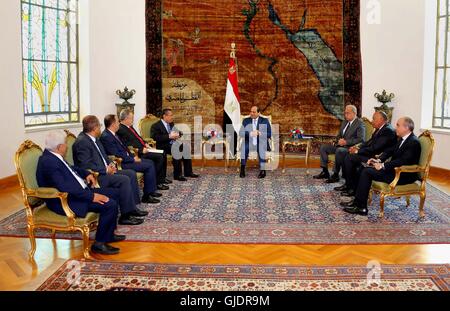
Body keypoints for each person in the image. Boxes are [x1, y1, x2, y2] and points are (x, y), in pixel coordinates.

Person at [36, 131, 124, 255]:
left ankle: (108, 235)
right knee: (109, 204)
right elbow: (65, 187)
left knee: (115, 193)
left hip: (79, 192)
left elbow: (71, 168)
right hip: (67, 200)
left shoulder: (53, 155)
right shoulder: (48, 162)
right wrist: (92, 196)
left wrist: (86, 173)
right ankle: (99, 244)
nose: (67, 146)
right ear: (59, 147)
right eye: (65, 143)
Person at [72, 115, 147, 226]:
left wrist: (111, 164)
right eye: (99, 126)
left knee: (130, 173)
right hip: (96, 177)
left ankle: (131, 208)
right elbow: (85, 165)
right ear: (94, 128)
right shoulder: (82, 142)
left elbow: (104, 156)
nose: (100, 128)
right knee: (124, 179)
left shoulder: (94, 139)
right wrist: (105, 170)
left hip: (105, 170)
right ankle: (125, 217)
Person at [340, 117, 421, 216]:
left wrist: (382, 165)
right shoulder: (403, 139)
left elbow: (402, 161)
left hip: (403, 175)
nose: (396, 127)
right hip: (394, 170)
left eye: (398, 125)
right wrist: (378, 160)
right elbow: (389, 151)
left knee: (367, 172)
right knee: (364, 167)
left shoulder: (413, 142)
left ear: (406, 127)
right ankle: (357, 202)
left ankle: (361, 208)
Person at [100, 114, 161, 204]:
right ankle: (147, 196)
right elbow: (116, 154)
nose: (119, 123)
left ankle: (150, 192)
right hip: (122, 163)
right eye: (117, 121)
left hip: (128, 158)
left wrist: (133, 156)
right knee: (148, 165)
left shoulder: (114, 134)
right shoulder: (106, 137)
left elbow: (125, 147)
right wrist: (132, 159)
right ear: (113, 124)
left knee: (150, 162)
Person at [335, 111, 397, 197]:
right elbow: (369, 142)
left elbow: (376, 148)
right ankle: (349, 185)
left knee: (349, 158)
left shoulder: (388, 131)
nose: (372, 121)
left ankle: (351, 188)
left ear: (381, 120)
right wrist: (357, 148)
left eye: (374, 119)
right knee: (348, 156)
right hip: (370, 154)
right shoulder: (380, 128)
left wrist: (357, 151)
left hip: (377, 158)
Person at [116, 109, 170, 189]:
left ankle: (161, 179)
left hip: (144, 148)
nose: (132, 120)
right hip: (138, 153)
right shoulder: (121, 129)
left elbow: (138, 138)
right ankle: (157, 182)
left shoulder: (129, 127)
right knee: (159, 157)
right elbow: (127, 145)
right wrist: (141, 150)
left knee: (163, 153)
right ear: (126, 119)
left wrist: (145, 144)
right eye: (131, 118)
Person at [313, 105, 366, 183]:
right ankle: (325, 171)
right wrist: (337, 140)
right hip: (340, 146)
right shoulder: (345, 122)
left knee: (339, 150)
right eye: (345, 113)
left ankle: (335, 174)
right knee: (323, 147)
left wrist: (346, 142)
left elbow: (361, 139)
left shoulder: (360, 123)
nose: (345, 115)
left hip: (350, 148)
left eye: (347, 113)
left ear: (354, 113)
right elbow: (339, 135)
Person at [151, 108, 200, 181]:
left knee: (185, 148)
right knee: (176, 149)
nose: (172, 117)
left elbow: (178, 132)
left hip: (173, 144)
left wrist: (178, 134)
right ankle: (177, 175)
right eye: (170, 115)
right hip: (163, 145)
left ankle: (188, 172)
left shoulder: (171, 123)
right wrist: (169, 136)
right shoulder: (156, 126)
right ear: (164, 116)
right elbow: (155, 137)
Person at [239, 106, 272, 179]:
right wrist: (250, 133)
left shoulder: (265, 121)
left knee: (261, 148)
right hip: (249, 141)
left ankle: (263, 170)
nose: (251, 113)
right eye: (251, 111)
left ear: (259, 113)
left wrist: (260, 133)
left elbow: (269, 134)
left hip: (260, 141)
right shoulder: (246, 121)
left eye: (254, 112)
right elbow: (241, 133)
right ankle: (242, 168)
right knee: (244, 147)